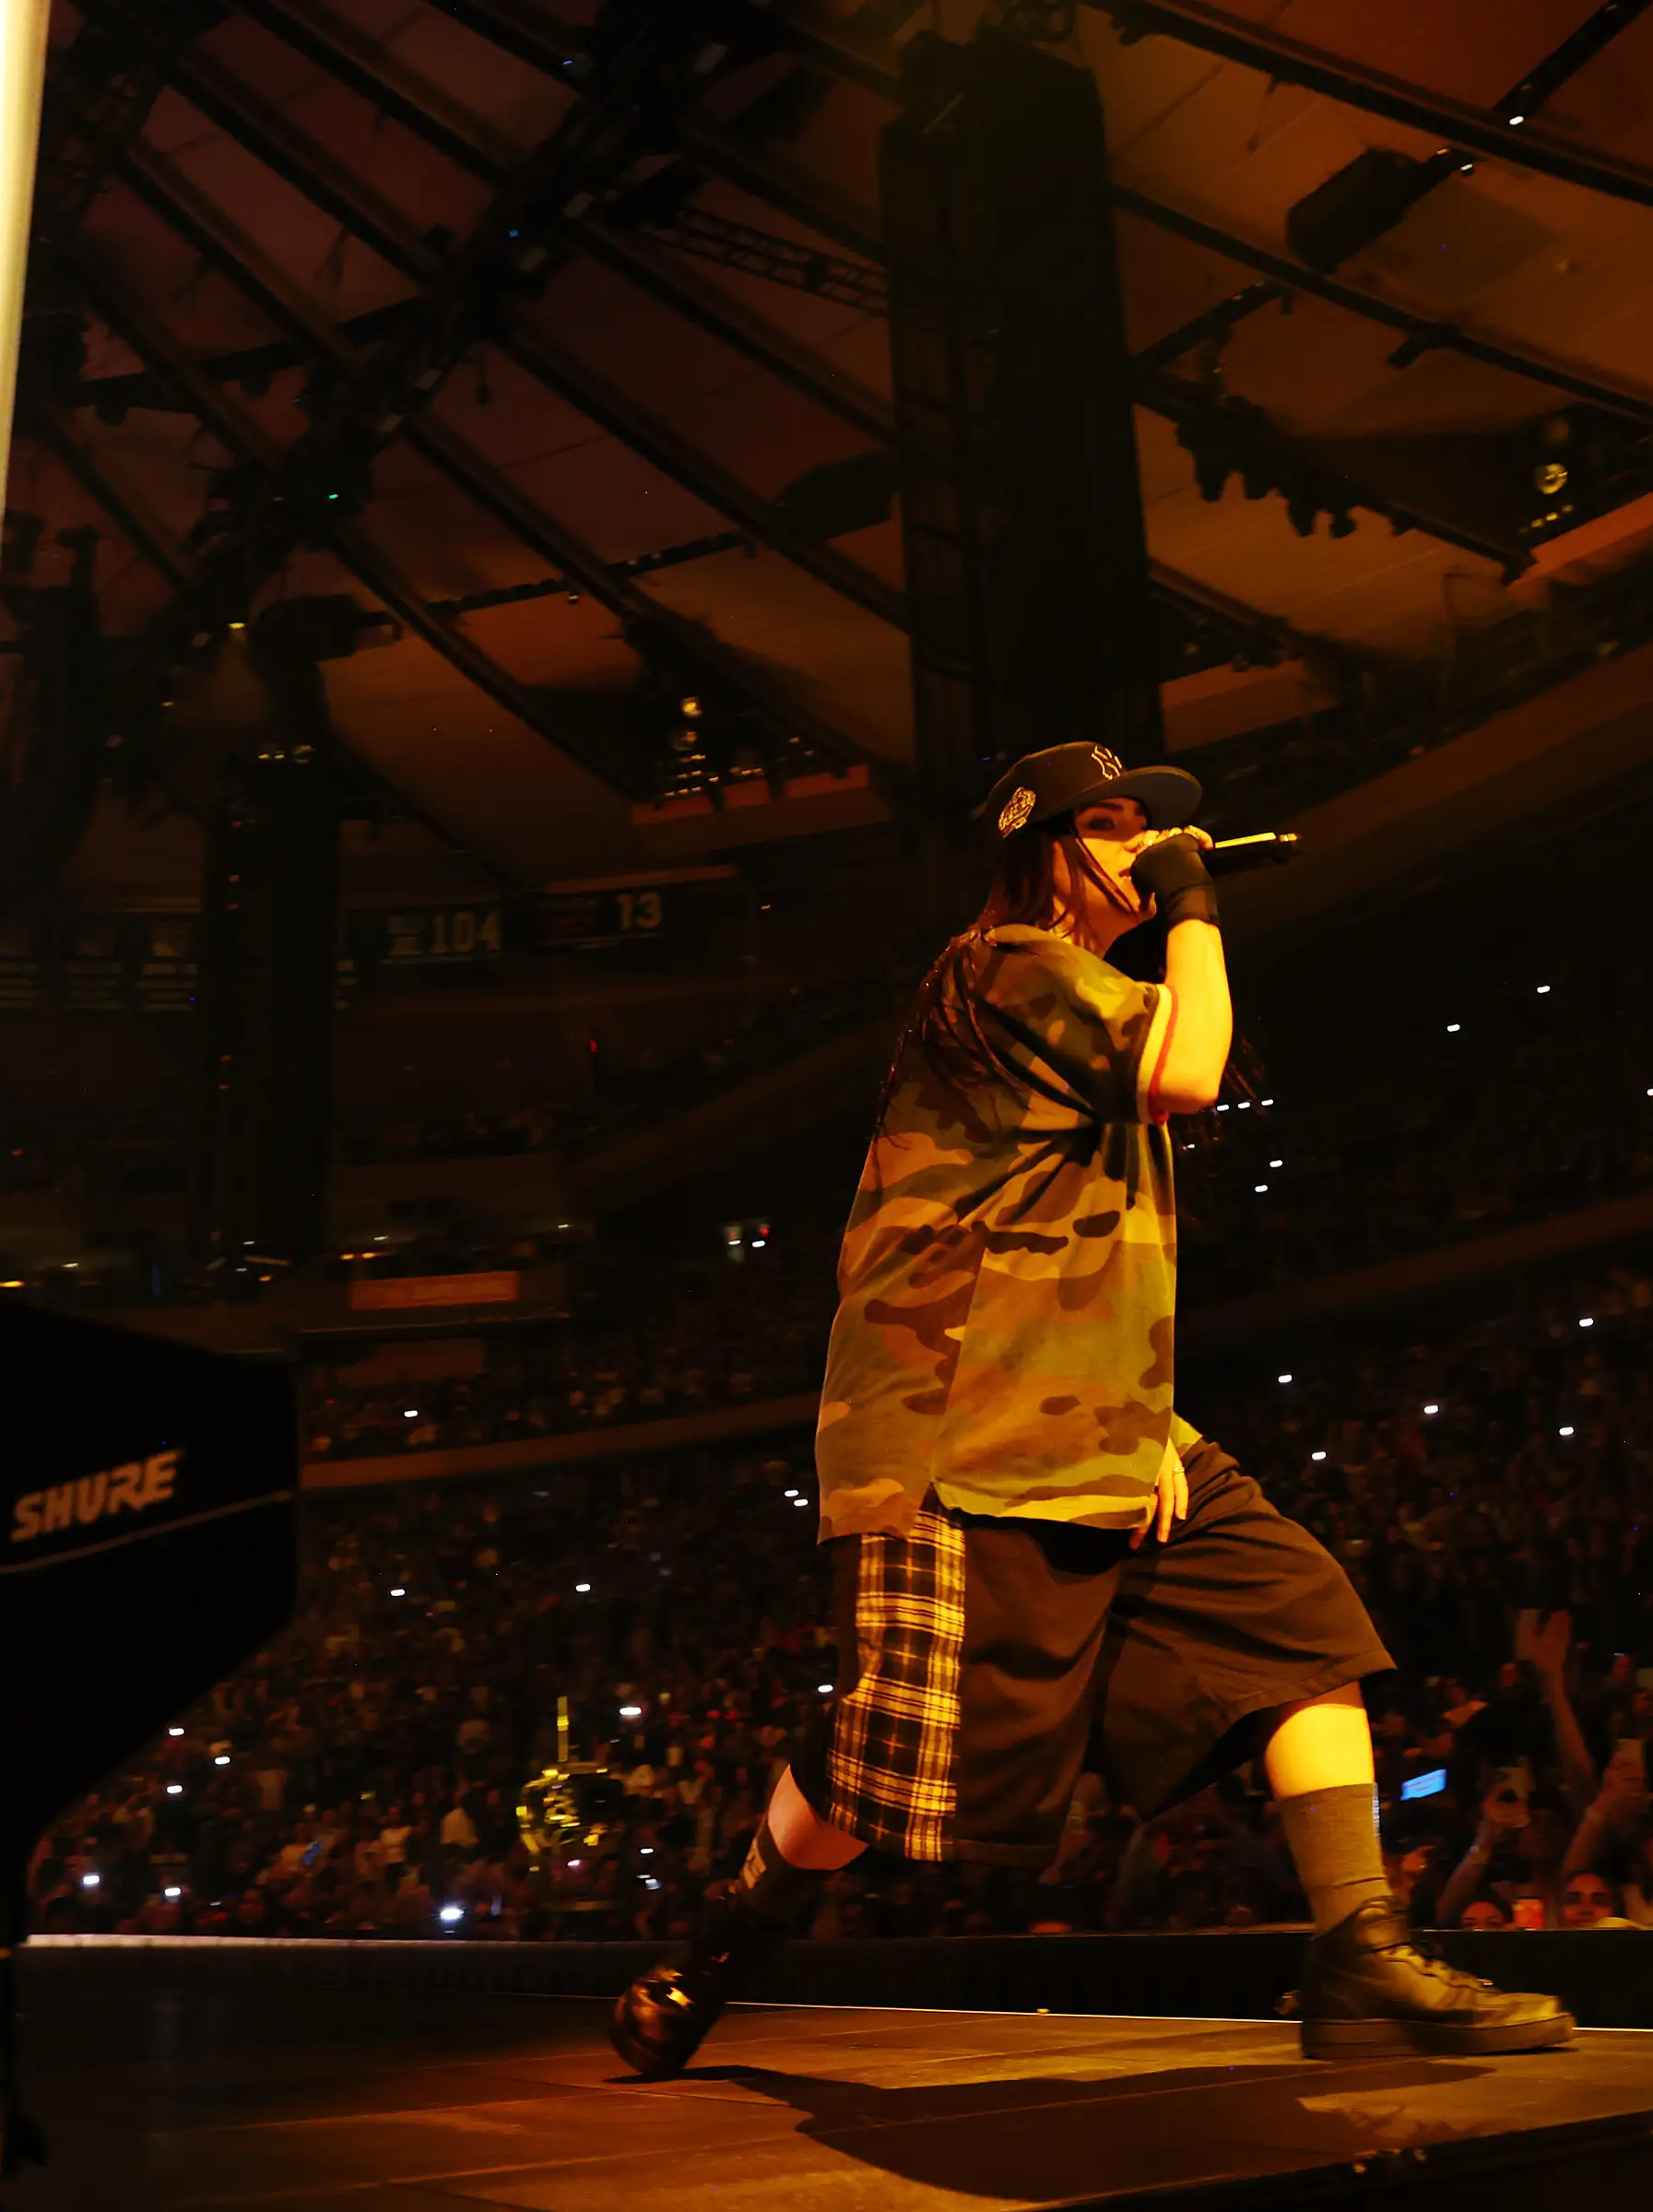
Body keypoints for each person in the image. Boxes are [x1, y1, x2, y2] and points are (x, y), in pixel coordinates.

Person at [610, 742, 1570, 2072]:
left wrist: (1147, 1421)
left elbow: (1071, 1252)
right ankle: (721, 1945)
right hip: (955, 1436)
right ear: (1039, 851)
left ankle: (1361, 1948)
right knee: (891, 1750)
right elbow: (1191, 1071)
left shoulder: (1077, 1005)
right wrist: (1195, 907)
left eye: (1153, 829)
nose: (1141, 846)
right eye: (1111, 828)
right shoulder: (1004, 968)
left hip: (1096, 1425)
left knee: (1296, 1617)